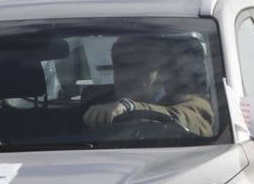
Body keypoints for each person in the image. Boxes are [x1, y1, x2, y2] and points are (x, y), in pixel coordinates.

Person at [84, 35, 215, 137]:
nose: (129, 74)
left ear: (162, 71)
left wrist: (130, 107)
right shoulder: (95, 101)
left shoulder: (193, 103)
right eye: (122, 65)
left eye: (139, 65)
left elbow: (191, 122)